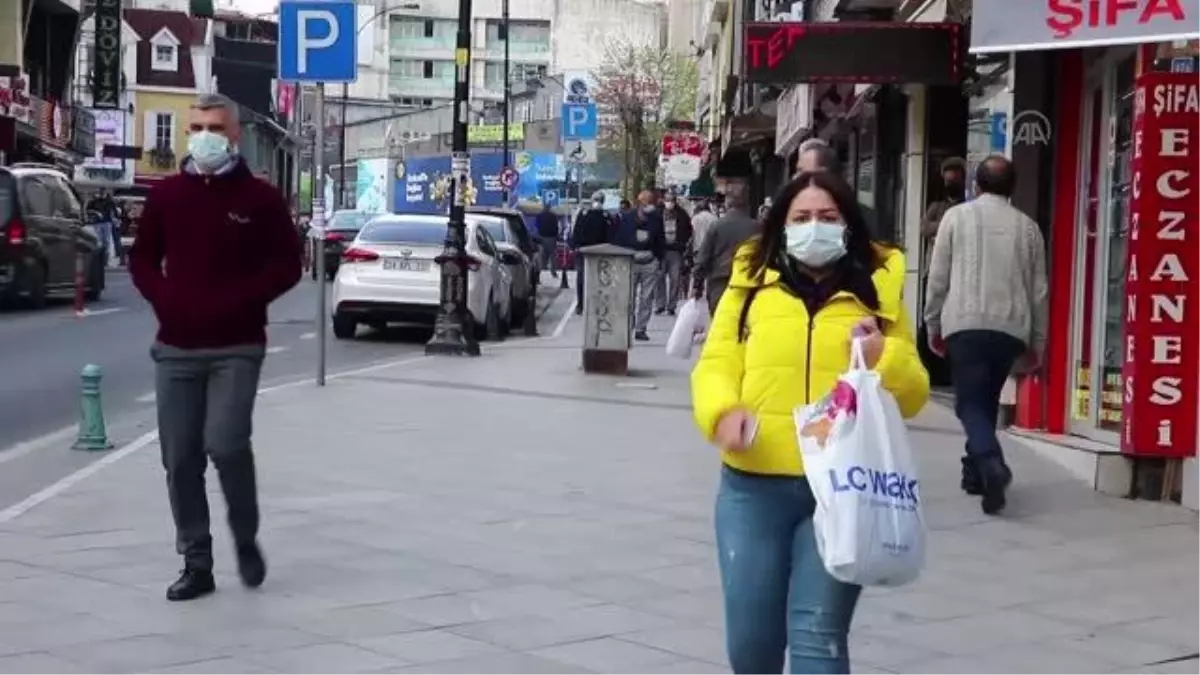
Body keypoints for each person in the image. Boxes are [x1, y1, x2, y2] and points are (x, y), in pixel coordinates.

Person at [691, 170, 929, 675]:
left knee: (817, 636)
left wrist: (881, 354)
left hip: (842, 487)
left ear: (847, 225)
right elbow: (717, 362)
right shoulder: (751, 279)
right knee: (751, 645)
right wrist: (721, 412)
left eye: (826, 217)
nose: (813, 228)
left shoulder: (878, 284)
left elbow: (913, 394)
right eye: (801, 218)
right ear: (782, 225)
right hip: (752, 487)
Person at [129, 93, 302, 602]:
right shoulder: (166, 197)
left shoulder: (262, 201)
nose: (203, 134)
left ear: (233, 136)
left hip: (237, 345)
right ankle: (196, 561)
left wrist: (243, 300)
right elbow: (142, 261)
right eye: (196, 126)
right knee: (180, 458)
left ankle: (245, 538)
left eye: (213, 126)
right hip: (176, 347)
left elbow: (288, 265)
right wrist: (165, 300)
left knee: (226, 445)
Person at [925, 154, 1048, 516]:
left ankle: (991, 463)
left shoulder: (956, 217)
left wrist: (932, 323)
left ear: (975, 185)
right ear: (1012, 188)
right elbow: (1039, 289)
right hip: (1011, 329)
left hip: (966, 324)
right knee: (987, 399)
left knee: (968, 403)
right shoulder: (1029, 228)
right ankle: (976, 473)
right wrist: (1037, 341)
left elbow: (938, 276)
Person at [918, 157, 967, 384]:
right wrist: (949, 224)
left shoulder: (968, 207)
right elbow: (924, 228)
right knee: (931, 318)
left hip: (961, 274)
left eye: (955, 178)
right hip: (935, 270)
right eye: (948, 178)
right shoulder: (937, 207)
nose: (951, 182)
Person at [691, 180, 759, 315]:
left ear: (727, 203)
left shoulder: (717, 226)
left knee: (720, 325)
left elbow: (703, 258)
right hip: (749, 285)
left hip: (720, 284)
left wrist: (696, 285)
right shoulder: (758, 228)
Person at [614, 189, 665, 341]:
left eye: (650, 201)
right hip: (630, 259)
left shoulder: (656, 218)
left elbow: (660, 239)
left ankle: (641, 328)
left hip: (649, 260)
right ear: (639, 202)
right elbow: (620, 238)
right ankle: (629, 323)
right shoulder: (628, 217)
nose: (648, 204)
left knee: (647, 297)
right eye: (645, 201)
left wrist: (658, 259)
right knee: (629, 295)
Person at [570, 191, 612, 314]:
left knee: (594, 279)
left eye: (599, 200)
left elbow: (609, 234)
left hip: (595, 251)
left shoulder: (602, 216)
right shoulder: (587, 214)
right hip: (588, 251)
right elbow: (577, 231)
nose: (597, 202)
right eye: (597, 199)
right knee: (584, 278)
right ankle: (583, 304)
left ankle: (589, 304)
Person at [654, 193, 693, 316]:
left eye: (671, 200)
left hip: (676, 251)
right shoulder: (658, 214)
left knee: (675, 279)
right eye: (667, 200)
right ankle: (660, 304)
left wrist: (683, 246)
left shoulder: (682, 215)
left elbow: (688, 231)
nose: (669, 202)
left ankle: (671, 305)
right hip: (661, 250)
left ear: (675, 202)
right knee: (659, 278)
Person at [535, 203, 560, 279]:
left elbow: (537, 226)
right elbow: (556, 227)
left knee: (541, 257)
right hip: (551, 238)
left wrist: (538, 234)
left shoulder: (539, 216)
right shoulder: (553, 216)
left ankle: (538, 274)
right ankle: (553, 272)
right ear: (549, 208)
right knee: (552, 256)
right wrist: (556, 236)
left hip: (542, 237)